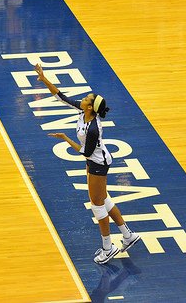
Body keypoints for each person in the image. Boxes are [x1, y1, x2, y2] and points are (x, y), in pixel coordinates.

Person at [34, 63, 141, 264]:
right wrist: (44, 78)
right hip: (96, 162)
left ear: (90, 107)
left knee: (97, 205)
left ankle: (107, 247)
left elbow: (86, 152)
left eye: (85, 99)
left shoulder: (93, 129)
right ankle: (128, 235)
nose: (81, 99)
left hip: (97, 163)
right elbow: (62, 97)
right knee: (104, 200)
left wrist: (65, 139)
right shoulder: (83, 112)